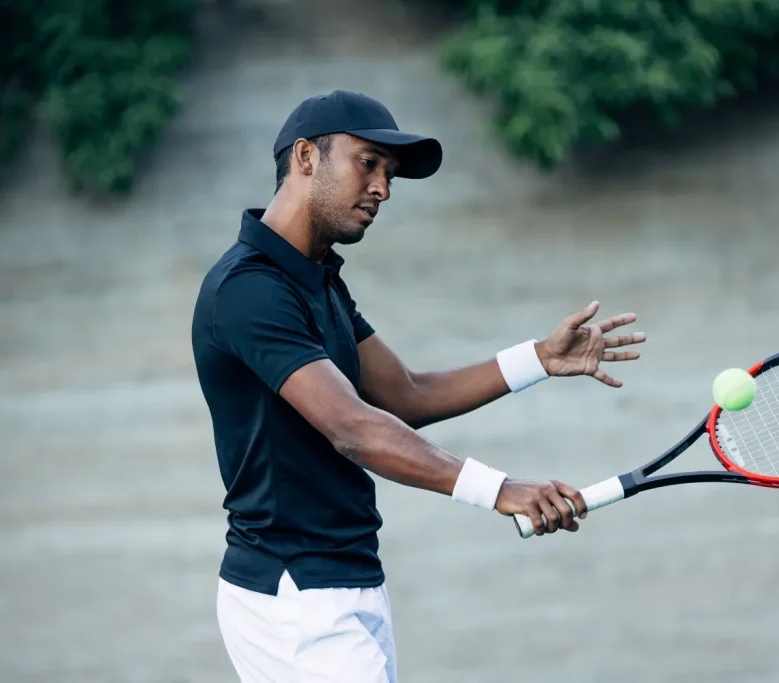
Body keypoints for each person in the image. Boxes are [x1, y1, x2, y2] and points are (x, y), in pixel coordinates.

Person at [190, 89, 646, 683]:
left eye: (390, 174)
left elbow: (405, 394)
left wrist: (538, 358)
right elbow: (352, 427)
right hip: (292, 596)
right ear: (305, 157)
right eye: (368, 163)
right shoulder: (249, 289)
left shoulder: (316, 280)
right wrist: (500, 489)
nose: (382, 188)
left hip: (348, 579)